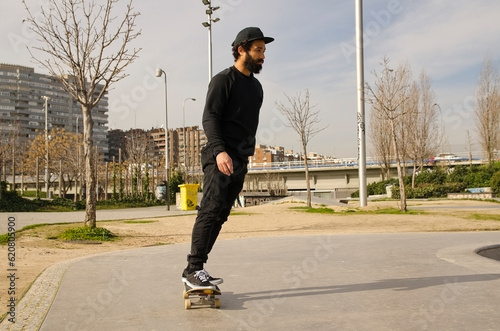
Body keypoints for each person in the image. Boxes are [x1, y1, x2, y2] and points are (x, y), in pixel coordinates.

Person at [182, 27, 274, 288]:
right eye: (258, 50)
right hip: (219, 156)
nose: (263, 56)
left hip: (239, 160)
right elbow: (209, 117)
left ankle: (196, 269)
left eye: (264, 51)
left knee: (221, 214)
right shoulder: (224, 80)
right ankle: (193, 269)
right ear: (241, 49)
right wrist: (220, 150)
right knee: (210, 211)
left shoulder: (256, 88)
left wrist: (245, 156)